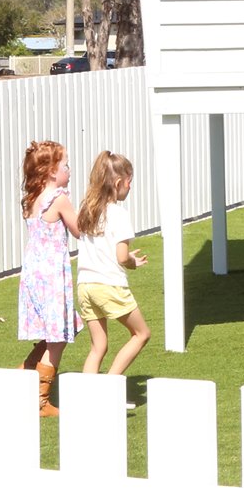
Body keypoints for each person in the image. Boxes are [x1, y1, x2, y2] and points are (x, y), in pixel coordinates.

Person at [74, 150, 151, 391]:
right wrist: (130, 261)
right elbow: (120, 257)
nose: (130, 188)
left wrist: (126, 258)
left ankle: (86, 396)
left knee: (98, 346)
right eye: (130, 182)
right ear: (119, 183)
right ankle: (108, 387)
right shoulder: (119, 213)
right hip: (109, 285)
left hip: (85, 286)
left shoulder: (87, 209)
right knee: (141, 334)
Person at [17, 139, 83, 417]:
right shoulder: (58, 198)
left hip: (33, 273)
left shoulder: (34, 199)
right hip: (52, 275)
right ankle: (40, 399)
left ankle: (23, 377)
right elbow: (80, 230)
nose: (69, 169)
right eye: (65, 164)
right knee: (58, 336)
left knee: (51, 331)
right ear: (52, 171)